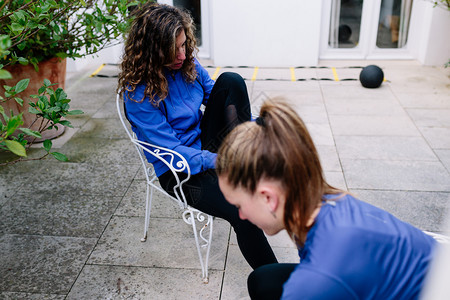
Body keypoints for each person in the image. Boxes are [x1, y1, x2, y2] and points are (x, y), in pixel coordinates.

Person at [216, 99, 437, 299]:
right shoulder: (328, 202)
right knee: (264, 281)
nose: (241, 215)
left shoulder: (316, 283)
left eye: (239, 205)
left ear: (268, 198)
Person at [116, 3, 277, 270]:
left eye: (183, 45)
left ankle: (247, 152)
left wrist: (248, 124)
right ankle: (280, 287)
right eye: (173, 50)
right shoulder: (139, 94)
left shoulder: (186, 62)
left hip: (205, 142)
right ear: (153, 51)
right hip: (179, 172)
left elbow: (220, 95)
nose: (182, 54)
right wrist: (220, 161)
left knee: (232, 80)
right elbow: (173, 151)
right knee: (243, 213)